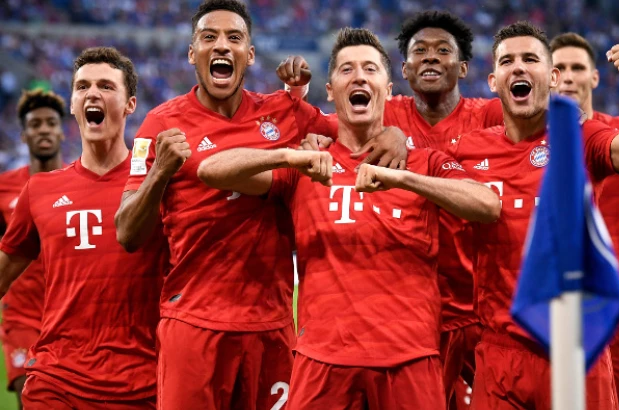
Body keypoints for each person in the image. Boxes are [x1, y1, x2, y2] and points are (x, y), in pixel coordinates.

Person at [115, 1, 404, 408]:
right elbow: (127, 233)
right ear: (192, 53)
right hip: (194, 323)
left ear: (249, 54)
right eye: (209, 37)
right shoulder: (161, 124)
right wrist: (160, 172)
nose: (222, 45)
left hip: (271, 326)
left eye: (234, 38)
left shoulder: (284, 112)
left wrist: (395, 132)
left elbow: (358, 127)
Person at [197, 27, 501, 410]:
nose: (359, 77)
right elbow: (211, 170)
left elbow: (487, 205)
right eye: (347, 70)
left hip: (409, 359)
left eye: (370, 69)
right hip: (322, 361)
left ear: (388, 90)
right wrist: (286, 155)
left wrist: (403, 179)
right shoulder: (306, 165)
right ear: (330, 91)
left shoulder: (424, 163)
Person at [443, 21, 619, 409]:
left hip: (576, 349)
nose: (519, 67)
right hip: (499, 351)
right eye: (507, 61)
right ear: (494, 81)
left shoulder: (582, 137)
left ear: (552, 77)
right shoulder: (466, 150)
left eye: (531, 59)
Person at [0, 47, 167, 409]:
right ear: (74, 105)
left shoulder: (158, 185)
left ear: (130, 104)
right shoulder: (40, 190)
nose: (92, 93)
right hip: (56, 380)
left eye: (106, 86)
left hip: (142, 383)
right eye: (82, 87)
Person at [551, 31, 619, 410]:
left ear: (595, 77)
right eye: (559, 68)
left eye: (577, 67)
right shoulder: (529, 140)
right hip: (553, 307)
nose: (568, 77)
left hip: (615, 308)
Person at [0, 89, 65, 408]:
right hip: (22, 316)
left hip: (67, 315)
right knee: (30, 398)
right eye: (35, 124)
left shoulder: (80, 182)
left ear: (62, 132)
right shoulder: (4, 188)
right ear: (24, 135)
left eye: (51, 123)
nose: (44, 130)